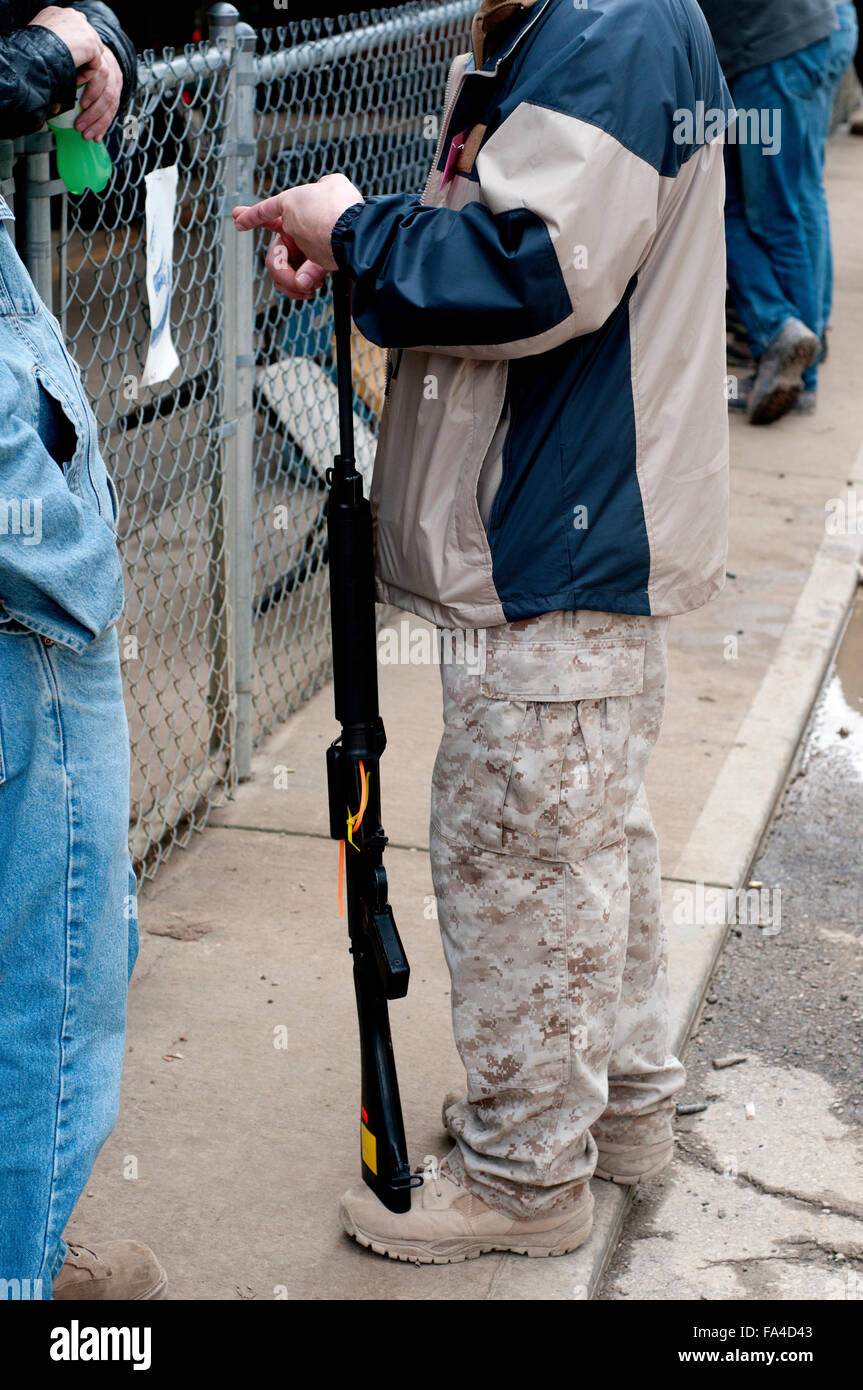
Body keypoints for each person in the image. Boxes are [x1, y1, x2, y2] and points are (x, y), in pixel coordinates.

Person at [236, 0, 730, 1263]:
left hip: (552, 530)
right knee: (581, 840)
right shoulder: (574, 21)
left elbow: (535, 268)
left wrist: (353, 227)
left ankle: (523, 1177)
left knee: (520, 854)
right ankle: (617, 1107)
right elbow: (504, 238)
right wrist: (365, 252)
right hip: (564, 525)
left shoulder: (609, 27)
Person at [0, 3, 165, 1300]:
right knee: (55, 975)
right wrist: (58, 49)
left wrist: (84, 31)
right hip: (24, 604)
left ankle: (27, 1243)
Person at [700, 0, 858, 423]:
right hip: (786, 39)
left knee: (768, 214)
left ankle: (795, 363)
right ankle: (793, 340)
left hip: (768, 47)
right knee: (762, 205)